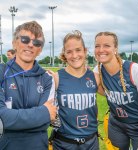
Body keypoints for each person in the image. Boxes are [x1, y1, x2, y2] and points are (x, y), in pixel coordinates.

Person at [0, 21, 57, 150]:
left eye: (37, 43)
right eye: (25, 39)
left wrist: (11, 117)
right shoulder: (2, 73)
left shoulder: (47, 78)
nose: (31, 45)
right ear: (14, 42)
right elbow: (1, 118)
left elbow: (46, 122)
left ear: (40, 49)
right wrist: (42, 112)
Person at [93, 31, 138, 150]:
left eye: (106, 45)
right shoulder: (97, 71)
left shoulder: (136, 71)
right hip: (116, 124)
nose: (101, 49)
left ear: (115, 49)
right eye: (97, 46)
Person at [51, 30, 102, 150]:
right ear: (65, 54)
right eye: (69, 52)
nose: (74, 55)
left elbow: (113, 97)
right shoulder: (56, 78)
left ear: (85, 51)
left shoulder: (95, 77)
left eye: (78, 50)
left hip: (91, 142)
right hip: (64, 142)